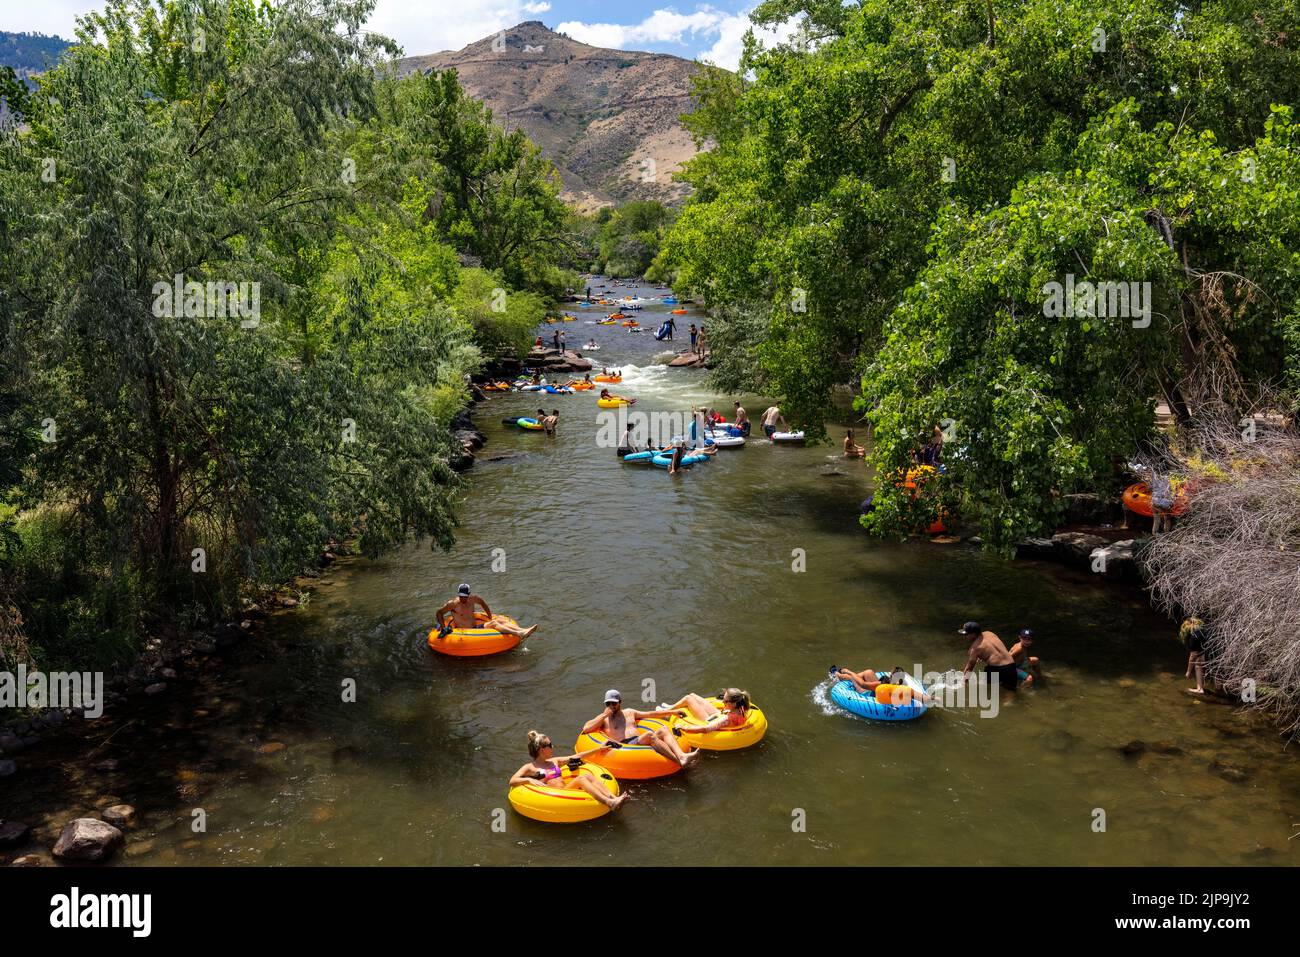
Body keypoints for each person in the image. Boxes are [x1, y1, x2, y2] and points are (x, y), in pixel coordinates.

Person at [509, 730, 628, 810]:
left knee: (587, 775)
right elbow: (512, 780)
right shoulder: (530, 767)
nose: (552, 747)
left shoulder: (554, 761)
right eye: (550, 745)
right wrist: (528, 781)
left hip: (567, 790)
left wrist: (599, 748)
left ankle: (613, 798)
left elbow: (577, 756)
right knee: (581, 778)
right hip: (555, 797)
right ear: (541, 749)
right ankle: (608, 802)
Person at [580, 691, 699, 769]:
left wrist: (672, 712)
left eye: (614, 703)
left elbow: (651, 713)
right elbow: (586, 729)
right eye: (608, 703)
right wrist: (603, 715)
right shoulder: (604, 719)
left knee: (664, 729)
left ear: (620, 702)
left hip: (638, 740)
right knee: (650, 735)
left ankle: (682, 755)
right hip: (624, 745)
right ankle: (679, 762)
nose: (611, 706)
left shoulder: (629, 712)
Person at [435, 583, 537, 639]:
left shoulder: (473, 599)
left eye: (465, 597)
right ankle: (519, 634)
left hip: (475, 628)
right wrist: (443, 628)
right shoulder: (452, 604)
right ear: (458, 594)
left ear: (469, 594)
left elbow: (483, 604)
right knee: (493, 623)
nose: (463, 599)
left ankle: (522, 630)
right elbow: (439, 612)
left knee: (500, 620)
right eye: (461, 596)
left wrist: (490, 616)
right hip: (466, 633)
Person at [662, 688, 752, 738]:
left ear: (733, 704)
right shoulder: (742, 708)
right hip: (719, 716)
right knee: (692, 695)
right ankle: (670, 707)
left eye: (725, 701)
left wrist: (684, 728)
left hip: (708, 720)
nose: (723, 702)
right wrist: (728, 711)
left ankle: (666, 712)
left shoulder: (727, 718)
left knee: (688, 699)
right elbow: (733, 716)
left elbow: (706, 729)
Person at [960, 620, 1018, 692]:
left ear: (973, 634)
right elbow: (994, 650)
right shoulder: (990, 633)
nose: (965, 637)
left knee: (983, 686)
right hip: (1011, 666)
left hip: (996, 669)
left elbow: (969, 668)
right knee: (1010, 693)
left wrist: (963, 683)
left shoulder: (974, 649)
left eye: (966, 634)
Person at [1181, 616, 1208, 694]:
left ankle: (1200, 689)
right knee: (1217, 670)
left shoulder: (1193, 636)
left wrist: (1188, 672)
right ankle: (1218, 689)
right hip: (1219, 652)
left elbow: (1193, 656)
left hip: (1209, 654)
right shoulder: (1205, 629)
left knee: (1198, 664)